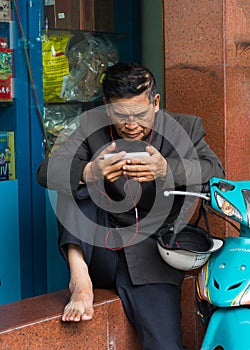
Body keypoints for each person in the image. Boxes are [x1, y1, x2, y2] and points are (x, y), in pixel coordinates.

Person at [37, 62, 224, 350]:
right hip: (98, 251)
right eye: (120, 115)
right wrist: (90, 172)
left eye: (140, 113)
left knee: (165, 345)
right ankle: (79, 280)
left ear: (156, 103)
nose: (131, 124)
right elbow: (45, 171)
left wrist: (167, 169)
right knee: (73, 179)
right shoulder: (91, 127)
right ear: (105, 107)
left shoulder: (185, 127)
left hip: (153, 255)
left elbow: (216, 172)